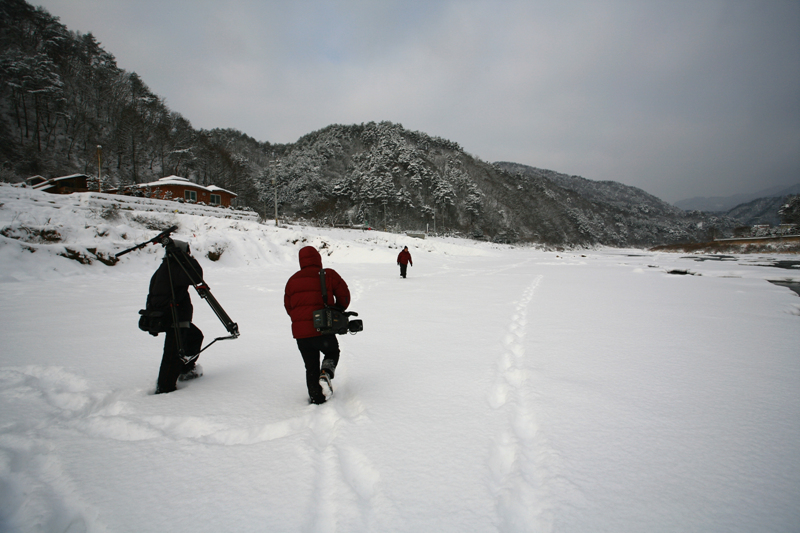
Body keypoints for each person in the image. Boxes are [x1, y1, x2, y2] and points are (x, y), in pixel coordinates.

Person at [284, 246, 351, 404]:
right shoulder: (328, 274)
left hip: (301, 334)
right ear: (318, 259)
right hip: (324, 328)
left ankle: (316, 398)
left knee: (311, 366)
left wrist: (301, 321)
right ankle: (326, 372)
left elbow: (289, 307)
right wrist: (337, 311)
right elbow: (344, 297)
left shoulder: (292, 280)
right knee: (332, 352)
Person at [145, 240, 204, 394]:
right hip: (173, 317)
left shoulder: (168, 268)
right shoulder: (172, 268)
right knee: (173, 353)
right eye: (187, 252)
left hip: (171, 315)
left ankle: (185, 369)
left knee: (194, 336)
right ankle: (165, 388)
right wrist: (184, 257)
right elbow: (196, 276)